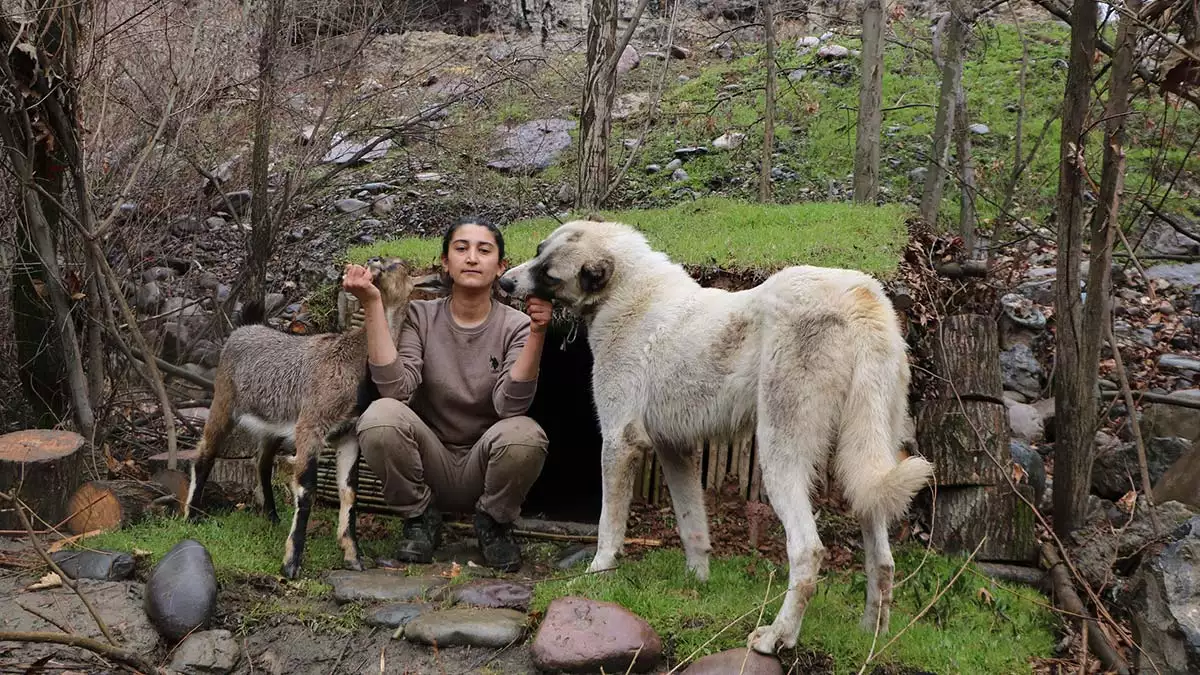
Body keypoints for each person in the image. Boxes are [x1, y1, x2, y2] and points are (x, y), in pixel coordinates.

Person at [341, 216, 552, 572]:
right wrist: (372, 304)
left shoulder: (515, 325)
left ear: (501, 266)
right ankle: (420, 519)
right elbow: (396, 389)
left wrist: (537, 332)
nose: (471, 258)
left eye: (484, 250)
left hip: (485, 467)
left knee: (525, 434)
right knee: (380, 416)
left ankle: (493, 523)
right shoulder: (420, 317)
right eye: (461, 248)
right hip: (427, 462)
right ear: (445, 262)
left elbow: (510, 405)